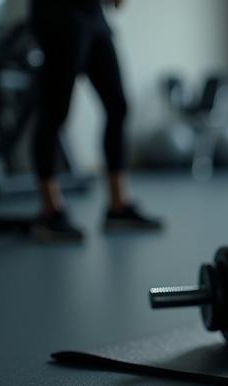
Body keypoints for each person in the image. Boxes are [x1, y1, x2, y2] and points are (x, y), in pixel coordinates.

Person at [30, 0, 161, 242]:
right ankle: (49, 212)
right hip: (60, 16)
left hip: (94, 17)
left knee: (118, 107)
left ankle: (118, 207)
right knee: (55, 112)